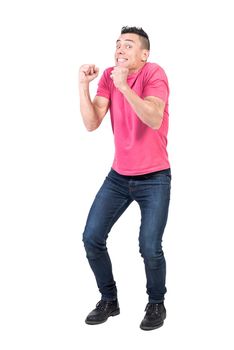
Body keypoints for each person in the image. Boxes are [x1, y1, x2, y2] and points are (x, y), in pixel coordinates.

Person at [79, 26, 171, 331]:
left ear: (144, 54)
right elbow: (92, 123)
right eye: (118, 44)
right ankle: (110, 300)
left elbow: (154, 117)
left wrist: (126, 88)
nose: (120, 49)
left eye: (128, 45)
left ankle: (156, 303)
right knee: (92, 237)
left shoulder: (154, 73)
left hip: (155, 177)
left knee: (149, 246)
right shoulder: (109, 76)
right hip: (119, 176)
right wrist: (83, 86)